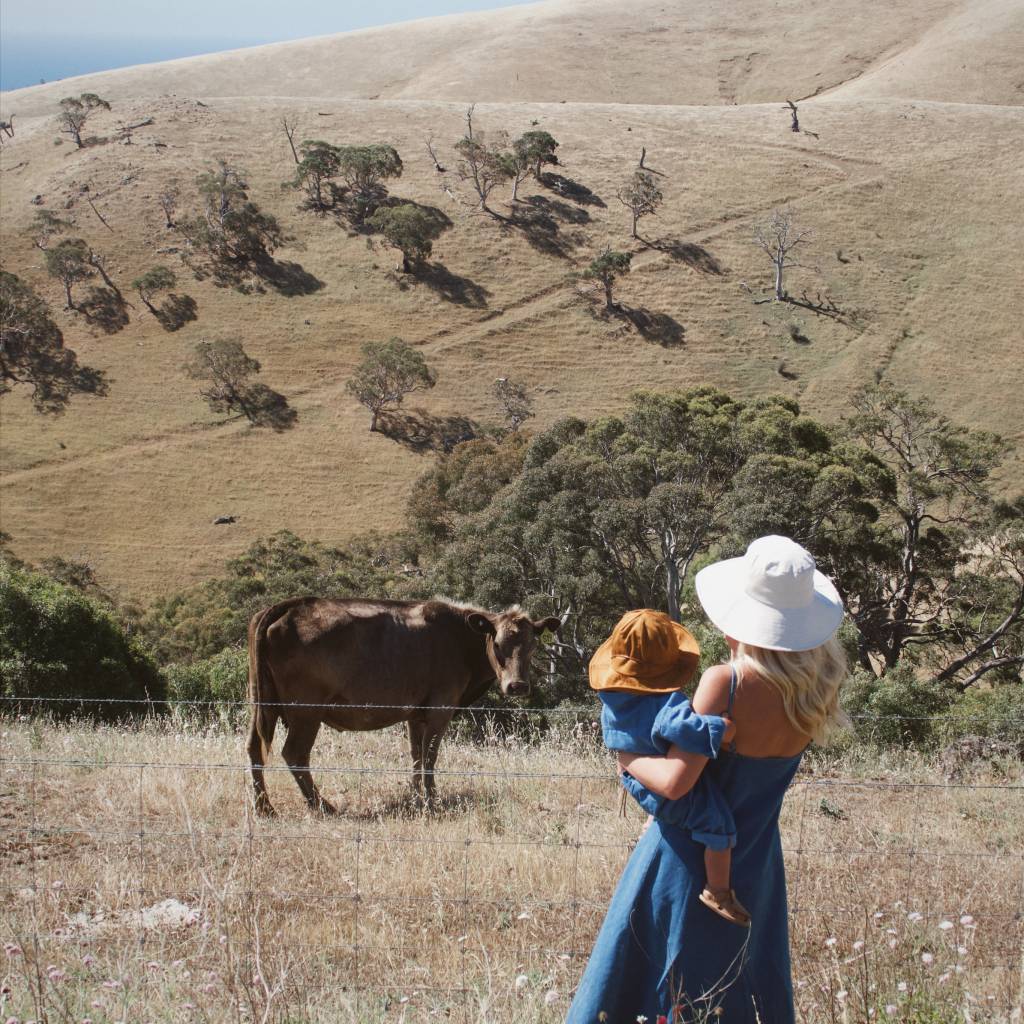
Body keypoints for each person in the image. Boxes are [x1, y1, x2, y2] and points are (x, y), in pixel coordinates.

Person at [566, 535, 849, 1024]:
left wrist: (626, 756)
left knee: (656, 985)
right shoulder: (817, 688)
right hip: (757, 858)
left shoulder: (727, 681)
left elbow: (676, 781)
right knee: (741, 983)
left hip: (683, 858)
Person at [590, 608, 750, 926]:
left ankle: (656, 820)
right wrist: (721, 729)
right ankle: (717, 890)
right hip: (666, 786)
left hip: (637, 780)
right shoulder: (666, 704)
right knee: (718, 825)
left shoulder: (612, 698)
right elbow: (685, 729)